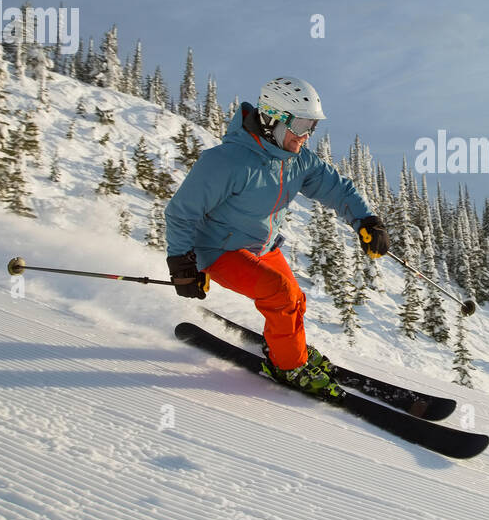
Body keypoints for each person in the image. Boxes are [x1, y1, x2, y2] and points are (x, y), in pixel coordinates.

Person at [164, 76, 389, 396]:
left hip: (262, 246)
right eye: (299, 125)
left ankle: (287, 347)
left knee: (295, 298)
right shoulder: (225, 162)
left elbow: (337, 189)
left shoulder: (299, 161)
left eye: (311, 126)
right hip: (218, 248)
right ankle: (289, 366)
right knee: (280, 293)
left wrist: (366, 220)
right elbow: (181, 213)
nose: (305, 135)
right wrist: (183, 264)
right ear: (272, 118)